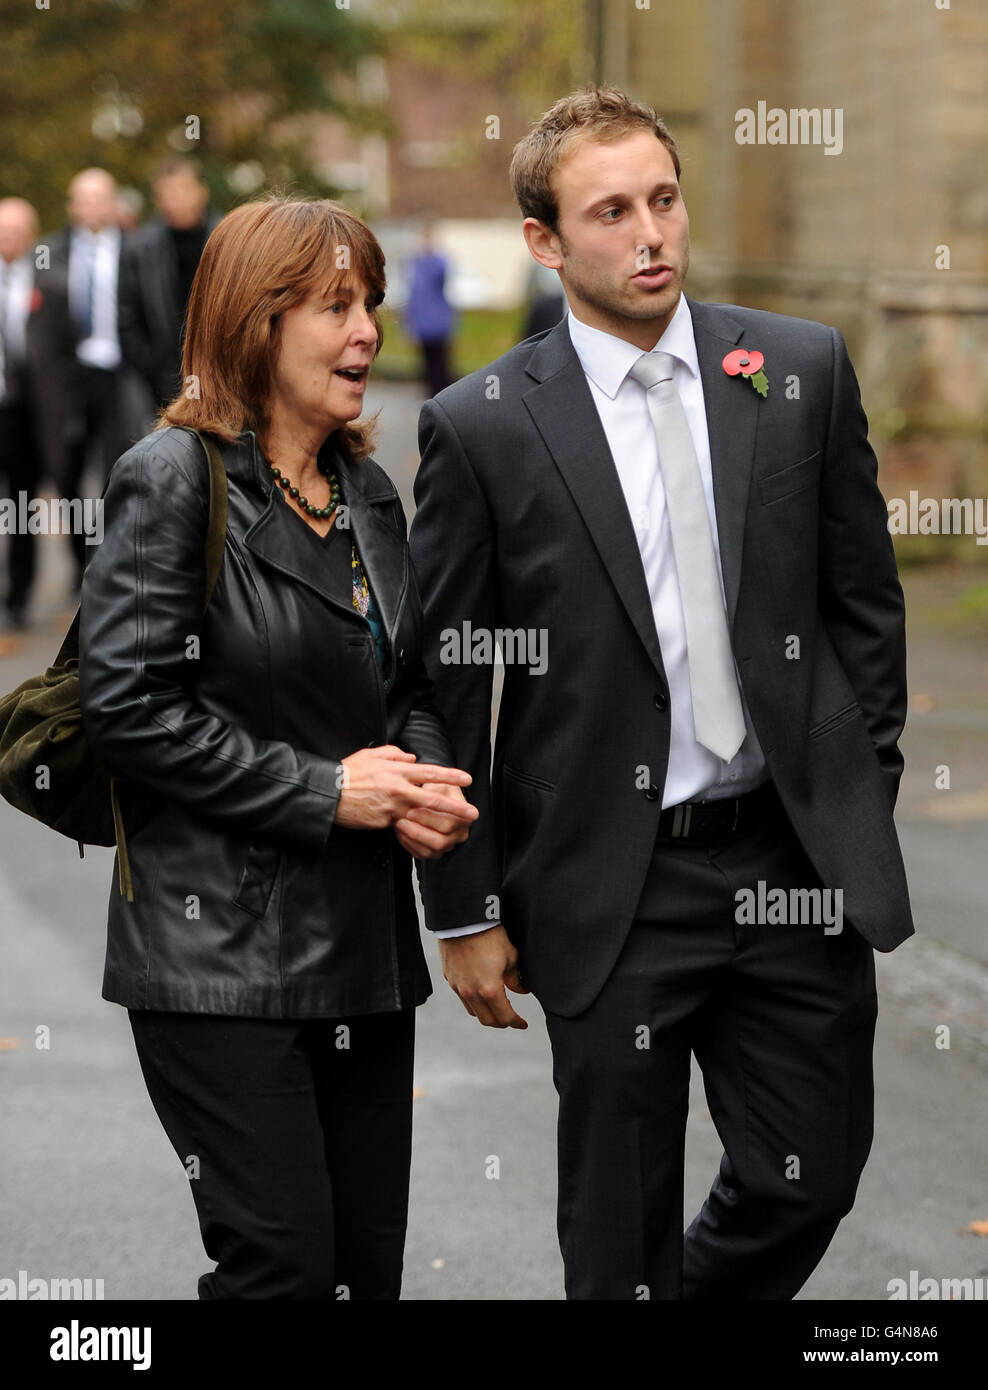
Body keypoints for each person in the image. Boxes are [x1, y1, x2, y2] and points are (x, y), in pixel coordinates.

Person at [409, 86, 914, 1300]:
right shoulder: (481, 428)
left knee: (808, 1176)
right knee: (617, 1235)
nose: (650, 234)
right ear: (544, 240)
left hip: (789, 862)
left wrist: (858, 789)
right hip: (606, 882)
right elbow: (437, 689)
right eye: (611, 211)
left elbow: (864, 609)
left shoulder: (795, 370)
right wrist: (462, 908)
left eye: (664, 199)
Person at [78, 194, 478, 1300]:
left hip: (363, 952)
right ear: (258, 321)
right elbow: (129, 707)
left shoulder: (371, 495)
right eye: (336, 307)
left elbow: (412, 691)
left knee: (360, 1276)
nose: (367, 333)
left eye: (372, 305)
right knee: (281, 1270)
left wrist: (423, 784)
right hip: (217, 958)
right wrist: (327, 790)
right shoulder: (170, 478)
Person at [47, 168, 145, 591]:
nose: (88, 208)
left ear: (112, 203)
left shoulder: (135, 250)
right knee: (66, 470)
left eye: (97, 198)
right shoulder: (51, 251)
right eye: (81, 199)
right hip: (70, 378)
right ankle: (76, 560)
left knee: (118, 468)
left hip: (119, 374)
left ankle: (107, 561)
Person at [0, 197, 78, 632]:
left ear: (32, 237)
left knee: (22, 505)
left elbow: (68, 358)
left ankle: (18, 598)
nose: (6, 240)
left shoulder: (53, 286)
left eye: (14, 231)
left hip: (28, 415)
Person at [117, 155, 222, 411]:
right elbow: (126, 317)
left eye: (183, 190)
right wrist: (152, 364)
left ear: (202, 191)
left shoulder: (227, 238)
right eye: (167, 193)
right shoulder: (140, 248)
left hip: (220, 371)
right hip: (163, 380)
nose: (175, 200)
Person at [404, 222, 454, 397]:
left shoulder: (437, 262)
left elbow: (443, 277)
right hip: (423, 323)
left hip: (437, 324)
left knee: (440, 364)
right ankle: (431, 396)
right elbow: (412, 295)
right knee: (426, 364)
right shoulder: (415, 264)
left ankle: (443, 395)